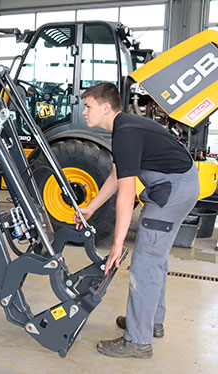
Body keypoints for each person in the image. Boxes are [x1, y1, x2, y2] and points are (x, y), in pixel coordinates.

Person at [74, 82, 199, 359]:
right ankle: (151, 321)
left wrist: (117, 244)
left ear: (106, 108)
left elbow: (127, 193)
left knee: (145, 262)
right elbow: (117, 176)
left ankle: (138, 340)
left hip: (173, 191)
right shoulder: (124, 127)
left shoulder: (125, 133)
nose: (84, 111)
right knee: (156, 257)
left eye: (88, 106)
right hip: (179, 185)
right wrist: (91, 208)